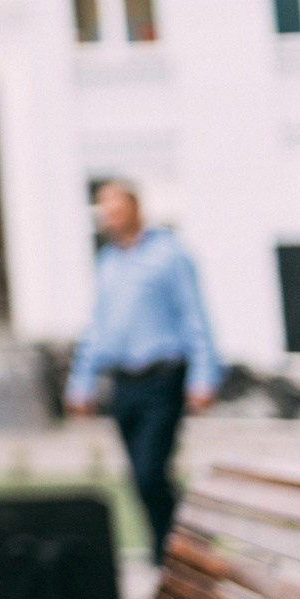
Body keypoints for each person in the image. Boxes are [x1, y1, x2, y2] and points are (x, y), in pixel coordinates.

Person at [65, 179, 221, 564]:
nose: (109, 217)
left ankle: (170, 554)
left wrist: (205, 376)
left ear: (135, 208)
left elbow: (195, 316)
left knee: (152, 470)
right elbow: (98, 327)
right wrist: (80, 382)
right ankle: (175, 548)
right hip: (124, 383)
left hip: (164, 378)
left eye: (115, 208)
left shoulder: (169, 254)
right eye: (104, 210)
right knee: (140, 477)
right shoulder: (108, 262)